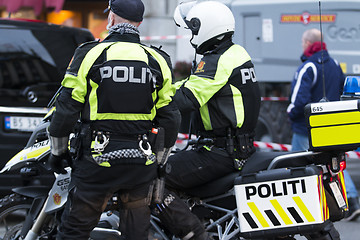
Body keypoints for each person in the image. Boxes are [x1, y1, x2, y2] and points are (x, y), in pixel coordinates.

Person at [47, 0, 180, 239]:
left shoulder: (89, 53)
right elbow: (170, 118)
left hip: (97, 164)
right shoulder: (158, 59)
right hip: (140, 165)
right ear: (139, 23)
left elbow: (66, 108)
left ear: (111, 19)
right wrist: (159, 163)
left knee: (74, 232)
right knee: (136, 234)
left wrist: (58, 153)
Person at [153, 1, 261, 239]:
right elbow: (190, 85)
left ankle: (195, 233)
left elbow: (186, 99)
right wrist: (160, 88)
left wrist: (147, 103)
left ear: (205, 27)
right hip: (235, 147)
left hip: (220, 153)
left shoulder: (217, 60)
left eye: (192, 29)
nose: (191, 35)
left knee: (152, 177)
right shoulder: (235, 53)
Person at [287, 28, 360, 222]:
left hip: (307, 128)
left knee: (294, 167)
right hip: (332, 127)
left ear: (308, 44)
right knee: (336, 165)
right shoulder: (335, 64)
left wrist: (291, 114)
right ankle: (351, 201)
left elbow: (298, 100)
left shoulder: (308, 68)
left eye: (303, 42)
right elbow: (343, 92)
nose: (301, 45)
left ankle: (297, 208)